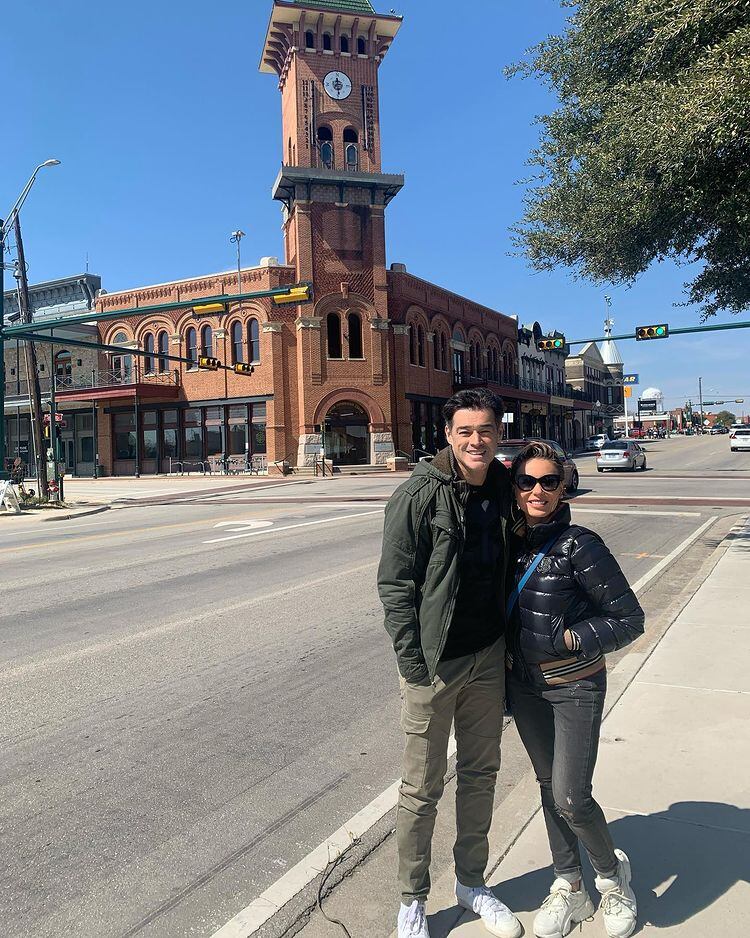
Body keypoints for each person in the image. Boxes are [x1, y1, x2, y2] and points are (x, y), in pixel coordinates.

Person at [378, 389, 522, 938]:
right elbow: (394, 585)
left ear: (496, 432)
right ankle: (412, 900)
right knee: (421, 787)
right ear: (448, 435)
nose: (475, 441)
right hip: (435, 665)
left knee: (481, 774)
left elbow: (547, 511)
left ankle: (471, 882)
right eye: (465, 431)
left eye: (484, 430)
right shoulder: (418, 495)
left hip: (488, 656)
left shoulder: (506, 486)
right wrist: (413, 664)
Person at [505, 441, 644, 938]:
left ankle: (611, 878)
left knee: (571, 795)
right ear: (515, 488)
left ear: (564, 489)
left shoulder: (580, 544)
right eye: (527, 481)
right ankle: (570, 884)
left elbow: (629, 619)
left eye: (548, 481)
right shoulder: (509, 542)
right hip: (525, 688)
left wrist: (570, 638)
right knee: (548, 787)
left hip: (574, 686)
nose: (537, 490)